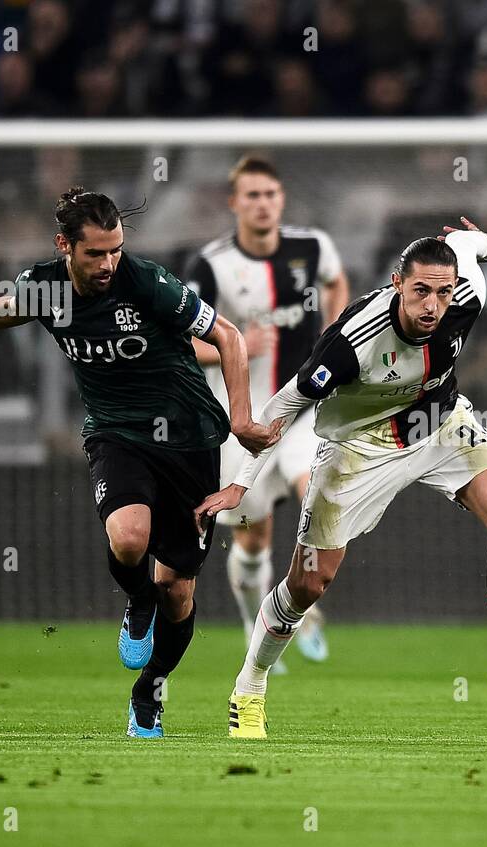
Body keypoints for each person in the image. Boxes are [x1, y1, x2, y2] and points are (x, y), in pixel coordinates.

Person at [0, 188, 278, 739]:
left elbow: (227, 335)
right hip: (116, 434)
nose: (109, 264)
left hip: (190, 440)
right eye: (96, 253)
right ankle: (137, 601)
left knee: (181, 596)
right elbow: (0, 313)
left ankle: (150, 689)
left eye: (116, 251)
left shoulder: (145, 282)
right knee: (128, 541)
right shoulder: (47, 288)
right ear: (64, 246)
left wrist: (241, 419)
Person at [194, 218, 487, 739]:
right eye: (420, 290)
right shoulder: (350, 342)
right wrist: (240, 483)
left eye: (441, 293)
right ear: (397, 282)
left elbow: (469, 247)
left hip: (437, 426)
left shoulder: (464, 297)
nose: (431, 306)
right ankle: (250, 688)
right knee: (309, 582)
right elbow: (282, 408)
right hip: (355, 449)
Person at [186, 156, 349, 670]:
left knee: (317, 499)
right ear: (234, 203)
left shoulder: (312, 247)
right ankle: (253, 624)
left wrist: (337, 329)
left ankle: (299, 606)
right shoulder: (209, 266)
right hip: (242, 420)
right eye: (251, 195)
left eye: (270, 194)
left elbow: (336, 281)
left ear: (282, 200)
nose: (262, 204)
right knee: (252, 540)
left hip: (305, 413)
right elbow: (184, 345)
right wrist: (235, 345)